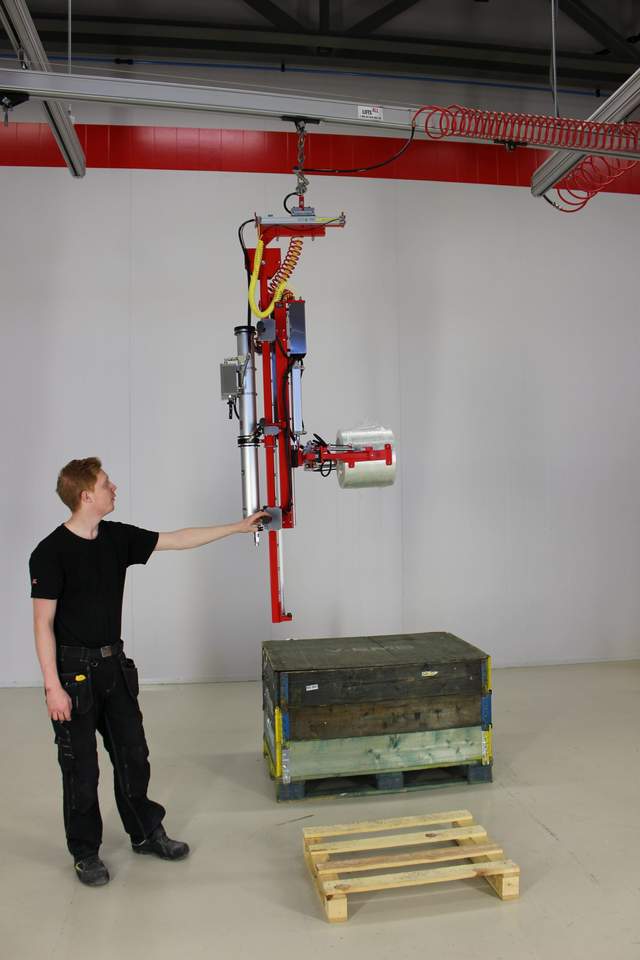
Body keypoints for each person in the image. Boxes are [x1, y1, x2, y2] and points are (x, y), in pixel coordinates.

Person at [29, 456, 268, 887]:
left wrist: (237, 527)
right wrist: (52, 686)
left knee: (133, 755)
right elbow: (43, 624)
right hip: (73, 675)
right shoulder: (49, 553)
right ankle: (85, 853)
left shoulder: (116, 538)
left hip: (114, 668)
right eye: (106, 483)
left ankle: (144, 833)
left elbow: (177, 539)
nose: (114, 488)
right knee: (81, 770)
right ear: (86, 496)